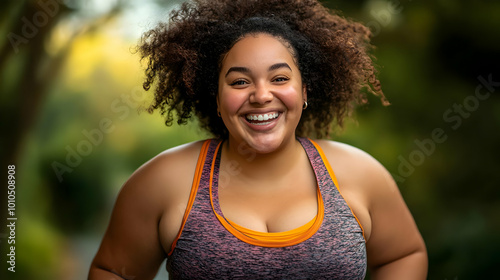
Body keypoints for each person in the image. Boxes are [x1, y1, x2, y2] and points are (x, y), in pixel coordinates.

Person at [89, 0, 428, 279]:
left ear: (305, 90)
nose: (261, 95)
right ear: (216, 99)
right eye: (239, 82)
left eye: (279, 77)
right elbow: (112, 270)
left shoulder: (360, 174)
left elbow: (404, 255)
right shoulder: (163, 181)